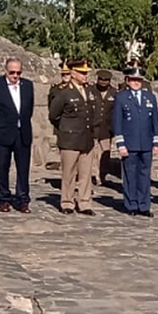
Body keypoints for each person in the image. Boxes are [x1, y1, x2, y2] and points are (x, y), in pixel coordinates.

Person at [0, 58, 35, 214]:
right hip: (2, 133)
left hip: (22, 133)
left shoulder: (27, 86)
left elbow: (28, 109)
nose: (15, 76)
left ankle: (22, 199)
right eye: (12, 72)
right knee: (3, 167)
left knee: (23, 169)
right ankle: (4, 198)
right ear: (6, 71)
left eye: (18, 72)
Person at [49, 60, 96, 215]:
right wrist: (65, 128)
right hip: (70, 139)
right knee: (69, 173)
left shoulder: (90, 91)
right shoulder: (64, 93)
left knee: (85, 173)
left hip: (86, 139)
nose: (85, 75)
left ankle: (84, 202)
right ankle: (67, 202)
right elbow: (54, 115)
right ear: (73, 74)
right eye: (82, 73)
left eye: (86, 73)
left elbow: (94, 113)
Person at [114, 68, 158, 216]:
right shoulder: (121, 98)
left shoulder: (150, 97)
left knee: (145, 175)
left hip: (146, 143)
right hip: (130, 143)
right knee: (130, 175)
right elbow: (117, 123)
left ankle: (144, 205)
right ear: (127, 81)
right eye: (133, 80)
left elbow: (155, 121)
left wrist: (157, 141)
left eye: (139, 80)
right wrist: (120, 144)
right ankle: (131, 204)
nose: (136, 83)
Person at [90, 69, 115, 186]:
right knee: (92, 153)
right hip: (92, 127)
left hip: (107, 128)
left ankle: (102, 175)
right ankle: (93, 175)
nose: (103, 82)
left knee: (105, 153)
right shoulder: (90, 91)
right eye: (101, 80)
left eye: (106, 80)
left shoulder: (114, 93)